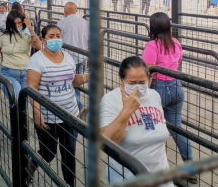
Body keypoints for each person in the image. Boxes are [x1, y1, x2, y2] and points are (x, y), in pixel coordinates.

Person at [26, 25, 90, 186]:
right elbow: (32, 88)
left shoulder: (67, 56)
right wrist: (37, 111)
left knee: (69, 153)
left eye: (58, 35)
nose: (56, 39)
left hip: (70, 114)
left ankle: (70, 184)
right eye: (51, 36)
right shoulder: (36, 60)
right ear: (44, 40)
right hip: (48, 116)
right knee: (48, 153)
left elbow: (72, 80)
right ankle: (32, 164)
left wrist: (85, 77)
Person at [141, 12, 197, 184]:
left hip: (158, 89)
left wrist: (143, 95)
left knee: (150, 127)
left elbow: (147, 71)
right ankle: (190, 168)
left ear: (153, 27)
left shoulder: (152, 45)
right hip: (176, 87)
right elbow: (177, 61)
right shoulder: (176, 43)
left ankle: (153, 168)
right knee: (177, 128)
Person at [100, 56, 172, 187]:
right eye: (132, 83)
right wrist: (126, 111)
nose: (137, 88)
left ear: (149, 79)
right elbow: (107, 141)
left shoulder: (155, 96)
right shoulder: (110, 99)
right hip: (126, 179)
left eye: (142, 82)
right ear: (122, 79)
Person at [0, 10, 41, 101]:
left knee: (25, 104)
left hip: (26, 73)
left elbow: (38, 46)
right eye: (14, 23)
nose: (17, 26)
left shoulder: (28, 33)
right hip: (9, 72)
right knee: (16, 99)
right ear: (9, 23)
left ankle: (16, 115)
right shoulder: (2, 35)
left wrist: (30, 28)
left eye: (19, 23)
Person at [56, 2, 89, 118]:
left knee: (67, 83)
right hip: (82, 56)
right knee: (77, 82)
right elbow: (90, 40)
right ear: (76, 10)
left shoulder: (62, 23)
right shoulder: (85, 23)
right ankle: (76, 106)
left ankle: (78, 106)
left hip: (68, 58)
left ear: (65, 12)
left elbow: (57, 39)